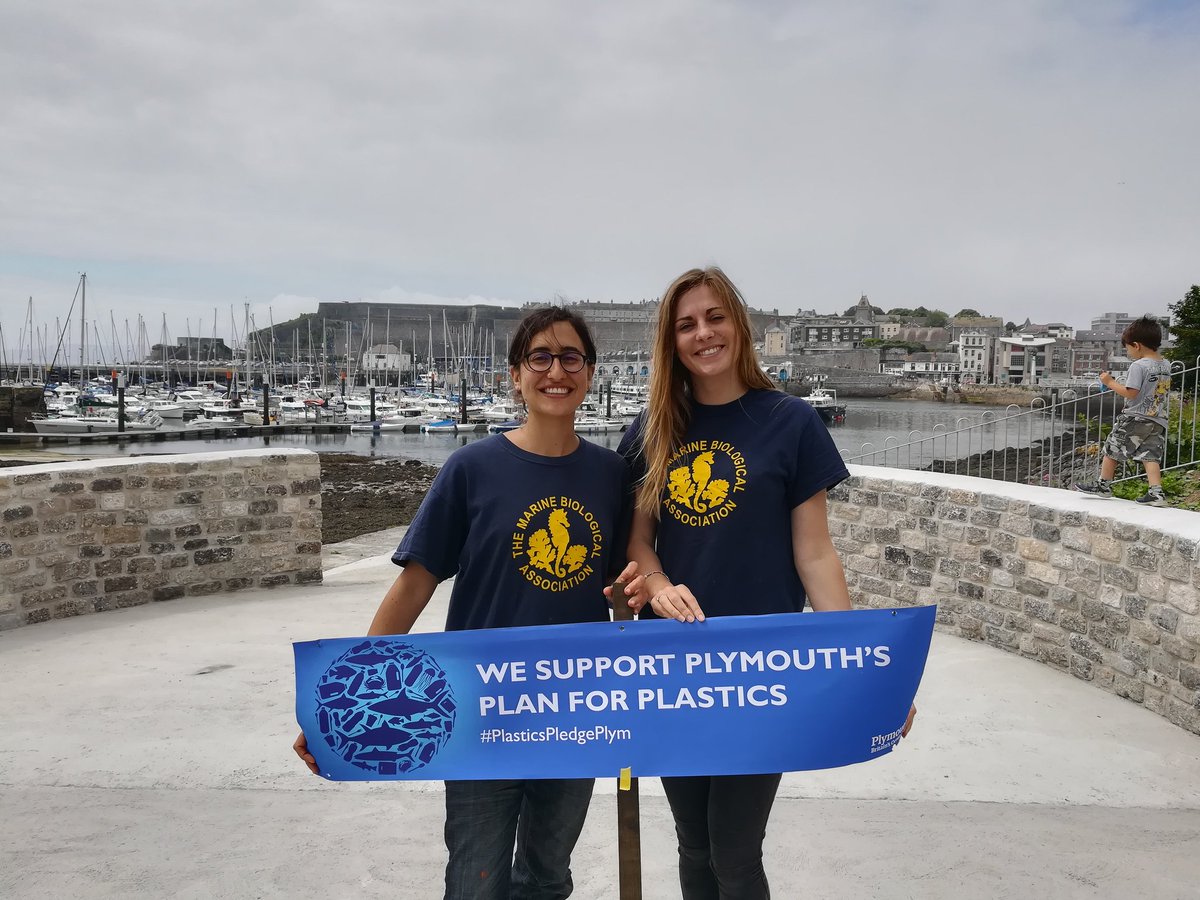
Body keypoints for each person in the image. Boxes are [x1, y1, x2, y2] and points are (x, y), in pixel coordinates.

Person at [295, 307, 636, 900]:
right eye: (540, 357)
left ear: (589, 372)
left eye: (571, 358)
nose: (556, 371)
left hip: (574, 710)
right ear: (515, 375)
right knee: (475, 877)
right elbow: (414, 584)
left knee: (548, 875)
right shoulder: (471, 469)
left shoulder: (610, 475)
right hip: (482, 709)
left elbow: (621, 589)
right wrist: (344, 695)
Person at [615, 266, 915, 900]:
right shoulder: (652, 428)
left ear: (740, 325)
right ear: (671, 342)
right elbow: (637, 541)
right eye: (686, 325)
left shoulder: (791, 421)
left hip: (761, 670)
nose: (703, 334)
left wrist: (867, 668)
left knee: (734, 853)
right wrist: (659, 584)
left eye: (715, 317)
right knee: (694, 845)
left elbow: (815, 554)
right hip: (675, 664)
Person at [1073, 315, 1172, 507]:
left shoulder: (1138, 366)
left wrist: (1109, 382)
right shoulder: (1165, 365)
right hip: (1157, 418)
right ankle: (1156, 492)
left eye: (1127, 348)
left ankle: (1103, 485)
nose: (1128, 352)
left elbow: (1131, 393)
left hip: (1135, 418)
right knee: (1150, 454)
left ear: (1137, 345)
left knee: (1112, 447)